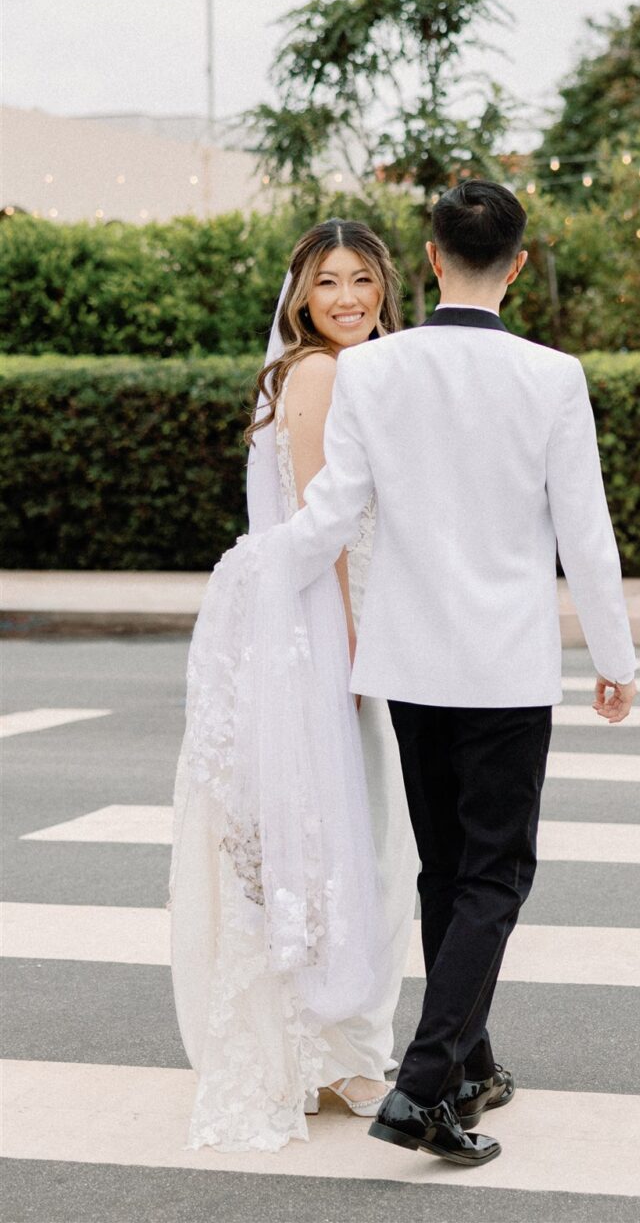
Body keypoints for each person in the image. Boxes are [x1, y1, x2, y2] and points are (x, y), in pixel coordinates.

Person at [283, 179, 639, 1168]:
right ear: (515, 264)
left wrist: (257, 569)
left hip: (409, 660)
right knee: (496, 874)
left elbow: (330, 510)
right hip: (506, 667)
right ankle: (425, 1083)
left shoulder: (376, 370)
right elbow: (586, 533)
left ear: (431, 258)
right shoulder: (552, 376)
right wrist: (614, 657)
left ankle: (466, 1060)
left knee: (449, 870)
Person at [169, 219, 418, 1152]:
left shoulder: (347, 369)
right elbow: (327, 536)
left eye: (361, 279)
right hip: (324, 637)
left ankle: (334, 1046)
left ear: (385, 287)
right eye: (328, 284)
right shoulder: (320, 373)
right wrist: (359, 663)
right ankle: (346, 1053)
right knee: (354, 842)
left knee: (324, 840)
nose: (348, 298)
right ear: (301, 300)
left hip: (317, 630)